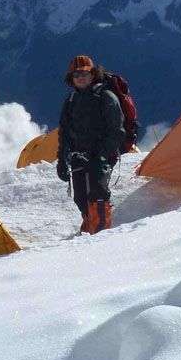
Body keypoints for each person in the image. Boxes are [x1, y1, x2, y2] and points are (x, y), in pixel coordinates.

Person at [56, 55, 125, 234]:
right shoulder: (71, 101)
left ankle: (100, 235)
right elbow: (64, 133)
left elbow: (117, 131)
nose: (80, 78)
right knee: (80, 197)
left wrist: (102, 154)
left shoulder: (106, 96)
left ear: (93, 74)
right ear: (71, 79)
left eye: (84, 73)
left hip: (101, 155)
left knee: (98, 193)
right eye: (76, 75)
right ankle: (89, 228)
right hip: (79, 155)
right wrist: (62, 160)